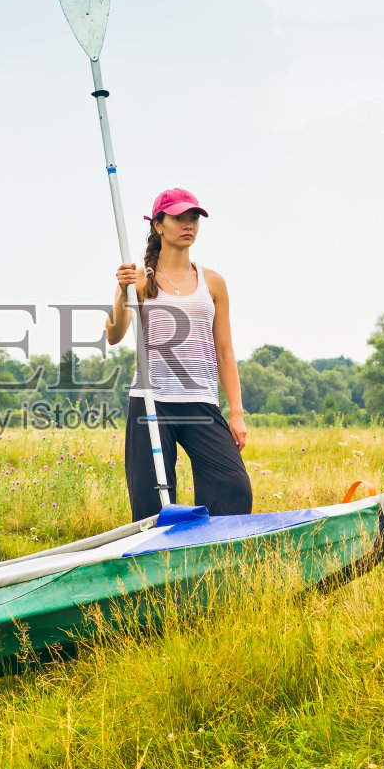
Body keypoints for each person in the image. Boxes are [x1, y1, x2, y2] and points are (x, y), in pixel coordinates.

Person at [105, 187, 253, 522]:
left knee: (233, 488)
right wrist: (122, 295)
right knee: (152, 505)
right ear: (158, 224)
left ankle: (213, 556)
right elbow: (113, 335)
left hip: (200, 401)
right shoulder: (138, 279)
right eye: (179, 218)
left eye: (194, 218)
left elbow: (226, 353)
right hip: (150, 401)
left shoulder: (213, 282)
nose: (189, 225)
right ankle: (159, 566)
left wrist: (237, 413)